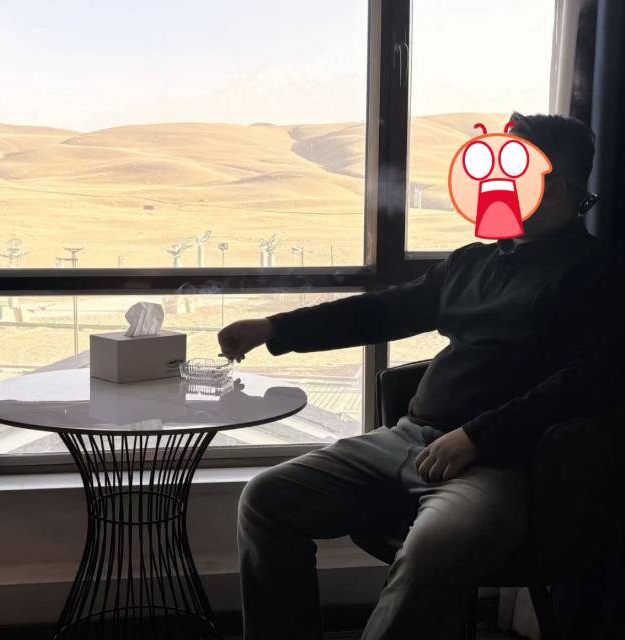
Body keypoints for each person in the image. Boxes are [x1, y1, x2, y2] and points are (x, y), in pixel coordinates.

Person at [218, 113, 618, 640]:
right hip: (406, 440)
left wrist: (478, 437)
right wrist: (275, 328)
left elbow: (590, 381)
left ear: (559, 186)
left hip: (501, 465)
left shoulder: (596, 271)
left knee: (435, 549)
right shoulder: (471, 263)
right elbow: (383, 311)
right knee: (266, 499)